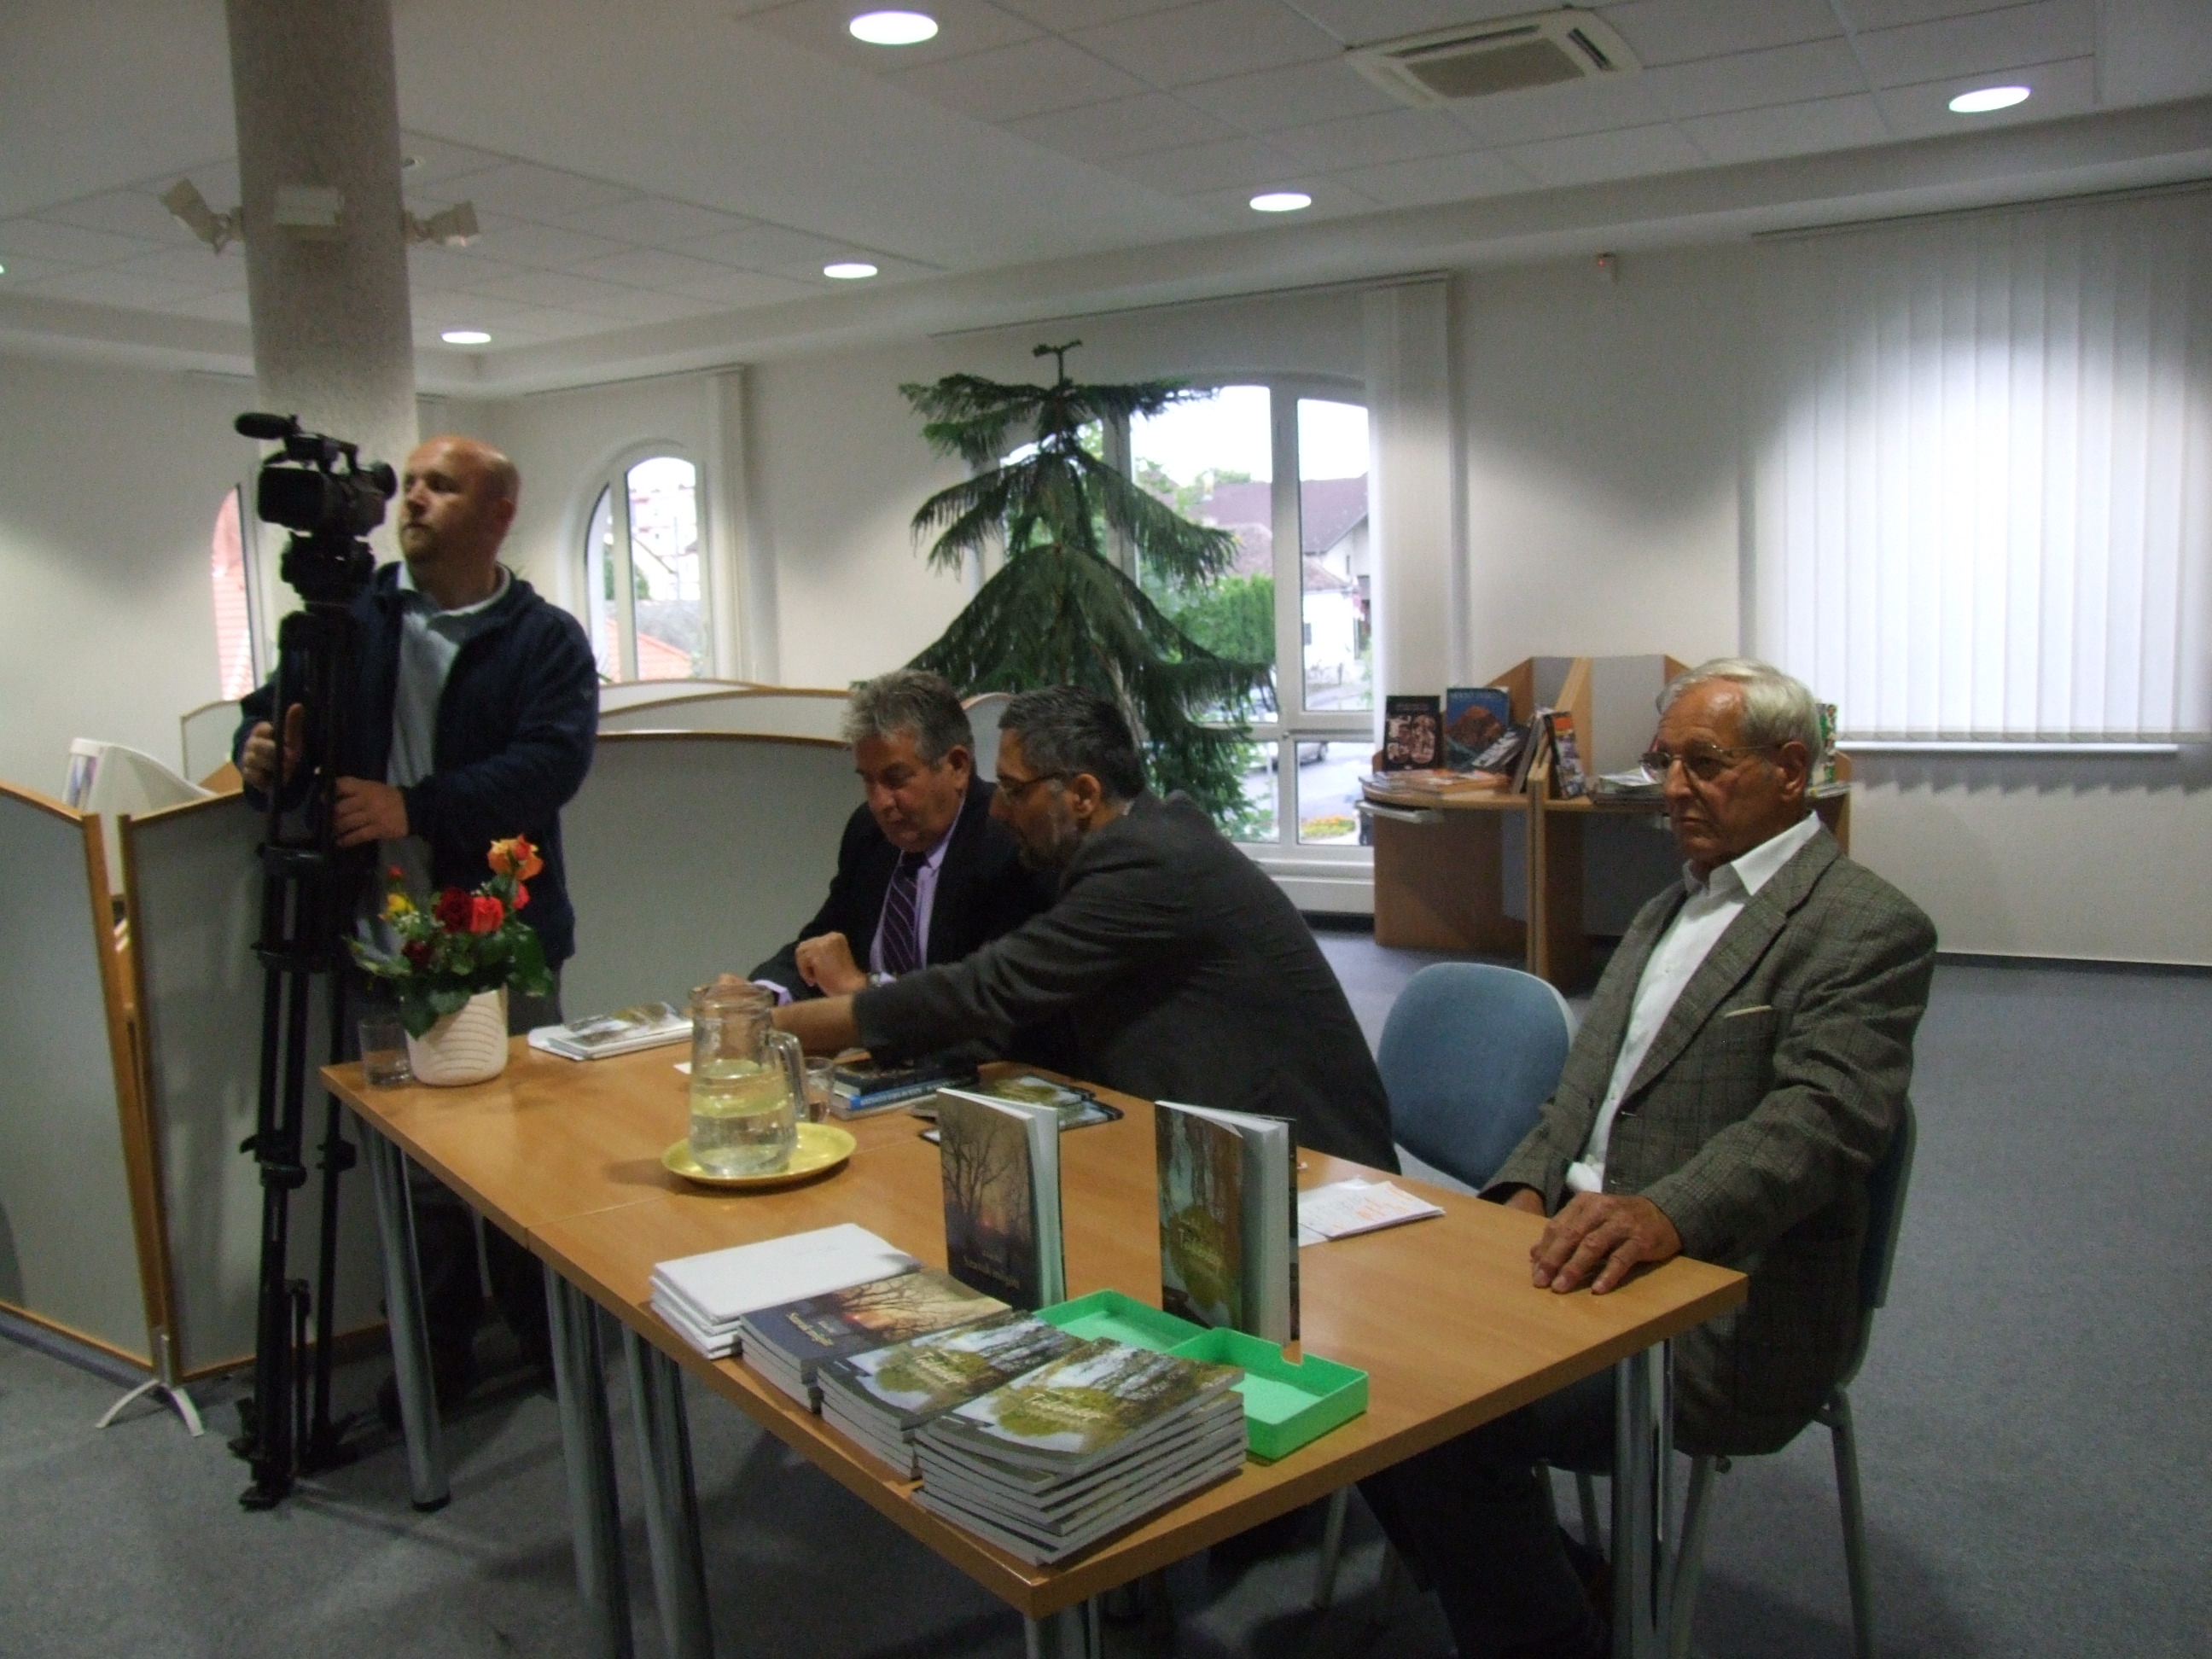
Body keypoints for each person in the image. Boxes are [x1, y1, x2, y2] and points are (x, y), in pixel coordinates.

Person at [1359, 658, 1936, 1659]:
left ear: (1789, 770)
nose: (1671, 788)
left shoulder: (1867, 928)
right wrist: (1524, 1188)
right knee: (1354, 1332)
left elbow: (1822, 1123)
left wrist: (1667, 1213)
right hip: (1575, 1251)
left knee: (1443, 1406)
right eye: (1666, 761)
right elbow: (1581, 1093)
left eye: (1703, 764)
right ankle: (1555, 1581)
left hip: (1721, 1292)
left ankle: (1553, 1631)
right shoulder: (1669, 907)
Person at [237, 434, 597, 1417]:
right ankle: (436, 1357)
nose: (415, 501)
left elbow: (549, 768)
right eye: (411, 485)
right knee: (412, 1166)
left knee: (521, 1146)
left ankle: (545, 1331)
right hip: (374, 932)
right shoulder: (349, 621)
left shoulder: (544, 639)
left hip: (502, 935)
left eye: (444, 486)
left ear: (499, 514)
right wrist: (264, 751)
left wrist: (414, 806)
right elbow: (271, 717)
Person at [771, 684, 1398, 1171]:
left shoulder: (1147, 866)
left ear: (1083, 795)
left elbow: (988, 988)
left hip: (1316, 1170)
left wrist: (783, 1029)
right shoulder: (1136, 844)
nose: (997, 808)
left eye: (1014, 790)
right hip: (1221, 1146)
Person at [748, 670, 1052, 1016]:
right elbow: (822, 943)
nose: (880, 802)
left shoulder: (1009, 844)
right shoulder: (868, 833)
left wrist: (863, 988)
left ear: (957, 767)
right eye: (869, 781)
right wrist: (757, 997)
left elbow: (980, 1001)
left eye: (896, 780)